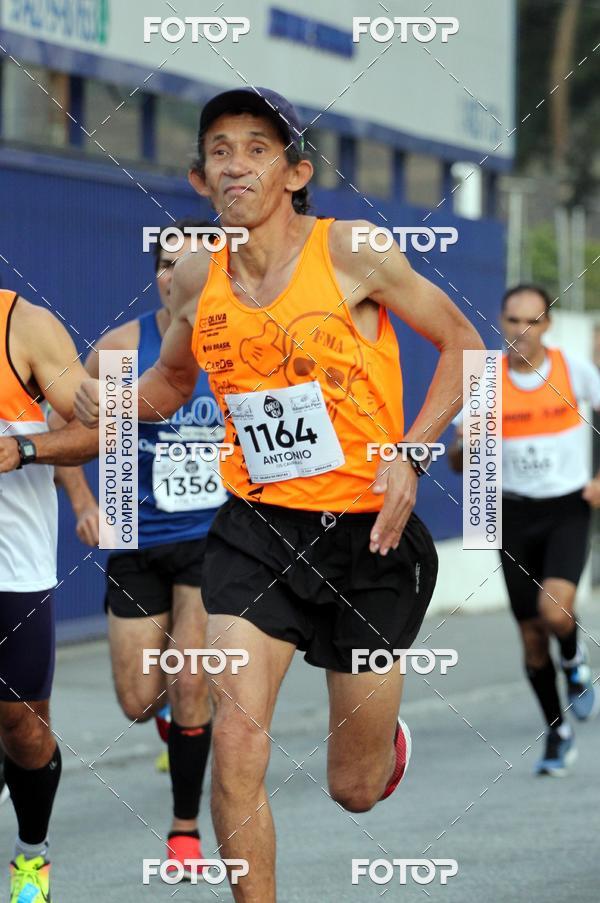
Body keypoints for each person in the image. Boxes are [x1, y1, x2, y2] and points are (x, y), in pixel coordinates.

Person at [73, 87, 483, 901]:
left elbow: (464, 346)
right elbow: (172, 378)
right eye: (219, 148)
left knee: (353, 786)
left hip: (369, 534)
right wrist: (104, 400)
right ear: (199, 177)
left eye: (257, 148)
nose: (236, 163)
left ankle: (381, 743)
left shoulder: (353, 251)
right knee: (236, 741)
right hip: (254, 531)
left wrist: (410, 449)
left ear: (295, 172)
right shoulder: (194, 277)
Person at [53, 219, 226, 876]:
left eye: (188, 261)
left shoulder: (238, 347)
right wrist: (84, 502)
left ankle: (184, 830)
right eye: (164, 261)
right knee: (137, 698)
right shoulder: (122, 348)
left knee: (190, 677)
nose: (173, 271)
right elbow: (64, 424)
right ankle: (175, 725)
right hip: (136, 536)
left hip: (213, 539)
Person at [449, 283, 600, 776]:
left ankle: (576, 660)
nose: (521, 332)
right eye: (513, 321)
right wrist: (465, 450)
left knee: (555, 611)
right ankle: (556, 733)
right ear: (501, 322)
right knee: (532, 638)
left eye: (532, 322)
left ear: (548, 326)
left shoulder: (574, 369)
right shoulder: (485, 379)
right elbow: (458, 462)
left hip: (566, 507)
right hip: (508, 512)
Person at [0, 288, 97, 902]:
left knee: (24, 730)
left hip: (13, 564)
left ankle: (31, 856)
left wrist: (23, 447)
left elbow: (99, 429)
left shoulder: (26, 325)